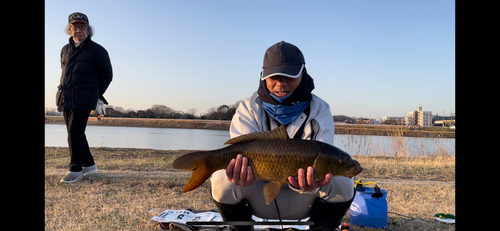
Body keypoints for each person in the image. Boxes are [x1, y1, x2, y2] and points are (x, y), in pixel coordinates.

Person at [210, 41, 355, 231]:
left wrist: (314, 182)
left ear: (302, 74)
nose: (281, 84)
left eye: (289, 76)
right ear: (263, 77)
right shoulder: (248, 107)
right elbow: (241, 149)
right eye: (274, 77)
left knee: (344, 182)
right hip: (258, 193)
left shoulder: (320, 109)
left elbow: (325, 154)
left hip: (305, 198)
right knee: (221, 178)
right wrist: (238, 172)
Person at [56, 12, 113, 183]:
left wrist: (96, 95)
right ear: (69, 29)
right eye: (75, 27)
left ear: (88, 30)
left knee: (74, 132)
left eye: (82, 27)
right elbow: (65, 73)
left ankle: (75, 169)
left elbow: (107, 75)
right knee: (75, 132)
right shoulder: (65, 49)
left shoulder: (98, 50)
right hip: (66, 96)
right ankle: (89, 166)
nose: (79, 30)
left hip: (84, 97)